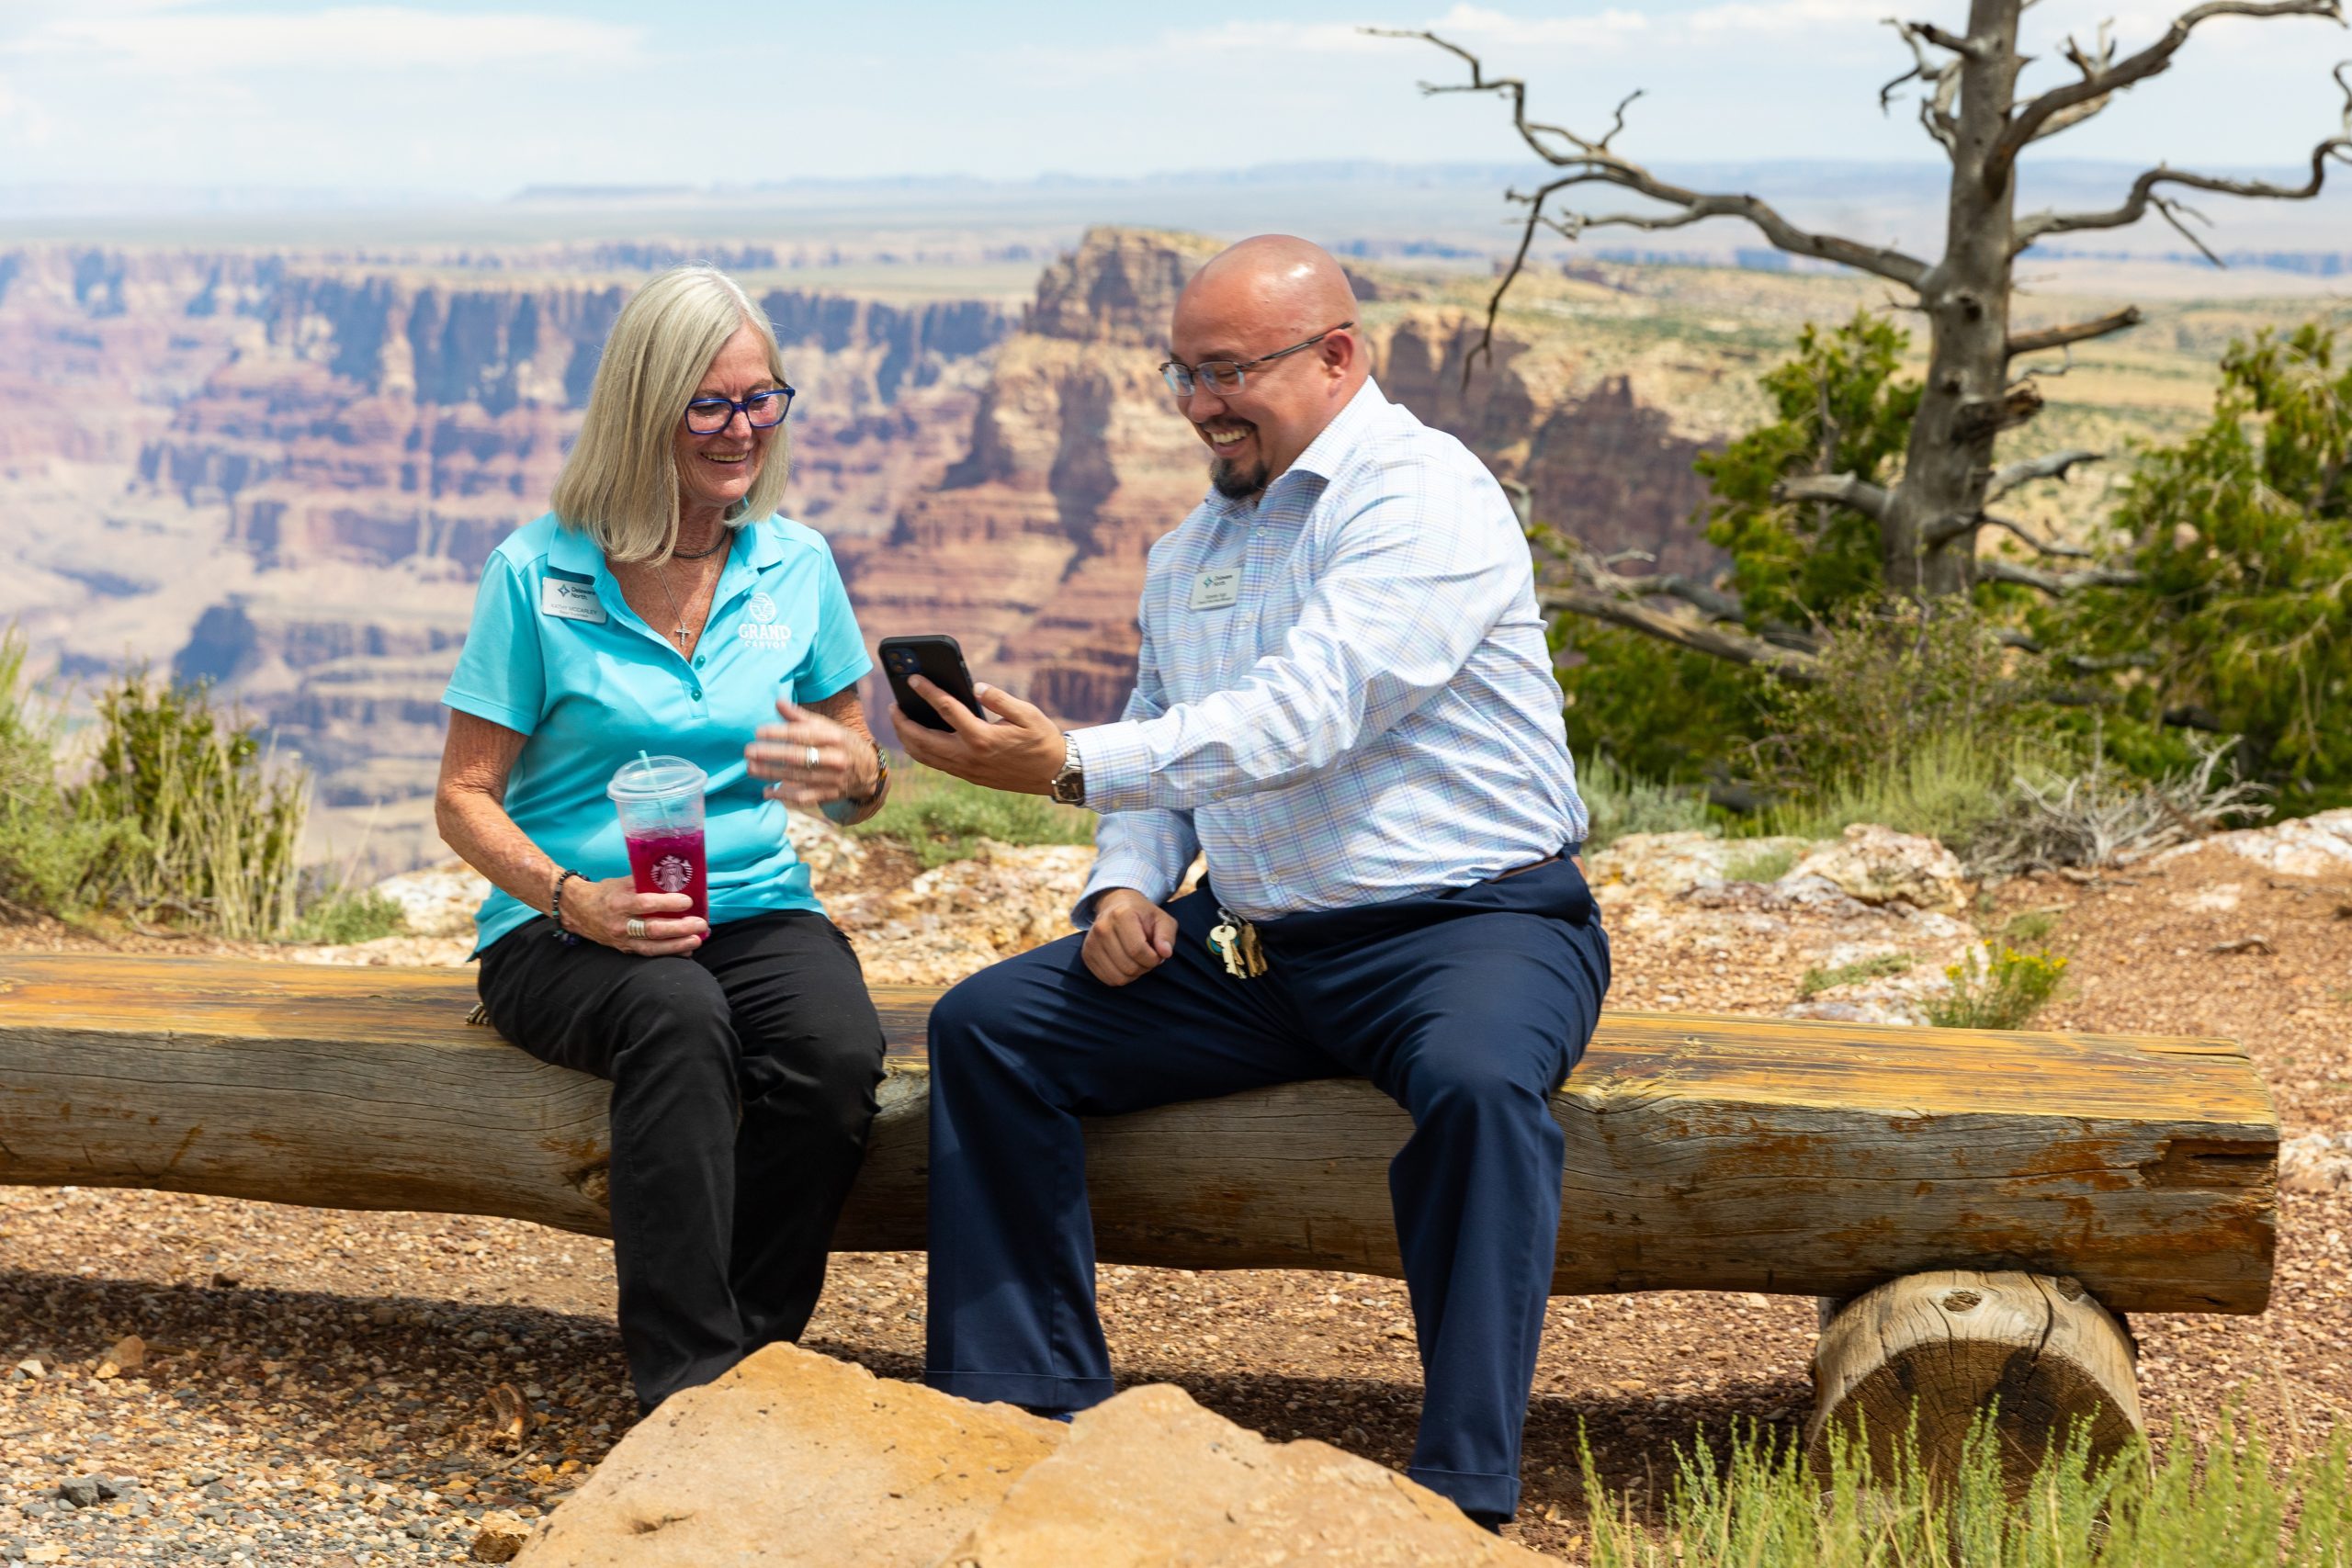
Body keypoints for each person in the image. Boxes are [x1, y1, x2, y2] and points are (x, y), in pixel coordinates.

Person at [891, 234, 1609, 1529]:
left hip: (1472, 922)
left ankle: (1458, 1489)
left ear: (1338, 356)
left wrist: (1067, 769)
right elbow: (1167, 718)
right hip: (1261, 942)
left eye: (1231, 370)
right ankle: (1028, 1399)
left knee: (1480, 1086)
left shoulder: (1419, 495)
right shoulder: (1191, 548)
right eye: (1185, 371)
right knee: (989, 1030)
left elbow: (1311, 709)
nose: (1202, 402)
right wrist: (1125, 882)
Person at [435, 264, 892, 1414]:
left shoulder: (796, 562)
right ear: (645, 406)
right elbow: (464, 796)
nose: (740, 430)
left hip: (750, 901)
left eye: (760, 399)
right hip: (568, 926)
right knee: (681, 1025)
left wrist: (857, 774)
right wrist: (568, 898)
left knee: (833, 1060)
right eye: (709, 403)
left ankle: (751, 1349)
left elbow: (850, 759)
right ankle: (686, 1392)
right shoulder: (538, 572)